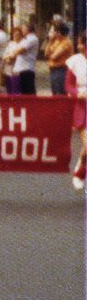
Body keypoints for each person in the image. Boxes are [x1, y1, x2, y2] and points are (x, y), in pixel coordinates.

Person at [66, 32, 86, 190]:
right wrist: (76, 93)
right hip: (82, 105)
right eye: (79, 43)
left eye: (81, 43)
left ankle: (82, 162)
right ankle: (80, 172)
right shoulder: (75, 61)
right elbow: (69, 85)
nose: (79, 46)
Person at [45, 22, 72, 96]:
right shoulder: (54, 41)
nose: (52, 33)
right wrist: (50, 41)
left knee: (60, 93)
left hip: (61, 70)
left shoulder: (66, 42)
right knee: (54, 92)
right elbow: (46, 54)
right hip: (53, 69)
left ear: (59, 32)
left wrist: (51, 55)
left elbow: (54, 57)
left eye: (54, 31)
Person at [14, 23, 39, 95]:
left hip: (27, 69)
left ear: (27, 29)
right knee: (22, 91)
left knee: (28, 92)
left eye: (23, 28)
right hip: (21, 69)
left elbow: (20, 50)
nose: (21, 30)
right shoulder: (25, 39)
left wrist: (15, 52)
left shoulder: (32, 38)